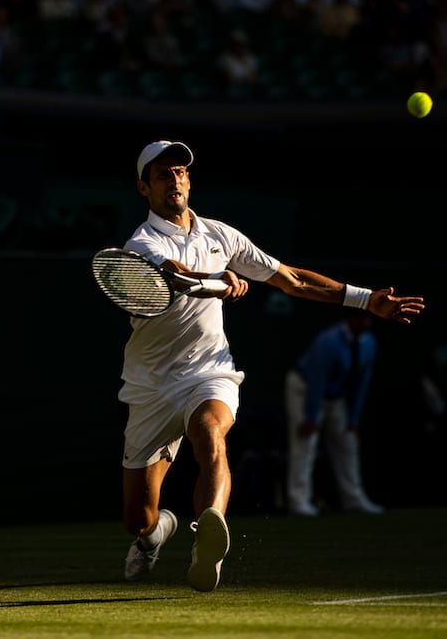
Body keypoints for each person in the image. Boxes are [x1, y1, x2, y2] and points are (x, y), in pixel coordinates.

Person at [118, 140, 425, 592]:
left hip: (209, 371)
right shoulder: (141, 243)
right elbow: (176, 276)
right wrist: (218, 283)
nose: (175, 179)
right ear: (144, 188)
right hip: (150, 387)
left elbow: (291, 278)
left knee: (210, 433)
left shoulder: (221, 235)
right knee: (137, 518)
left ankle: (208, 538)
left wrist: (365, 299)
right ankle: (156, 533)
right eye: (163, 174)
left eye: (181, 171)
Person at [284, 309, 384, 517]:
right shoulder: (328, 341)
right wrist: (311, 417)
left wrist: (354, 417)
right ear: (350, 319)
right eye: (361, 318)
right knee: (306, 443)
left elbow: (361, 382)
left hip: (336, 396)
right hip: (305, 390)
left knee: (348, 442)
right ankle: (299, 500)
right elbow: (316, 380)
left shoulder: (369, 343)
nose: (365, 323)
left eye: (368, 319)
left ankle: (353, 499)